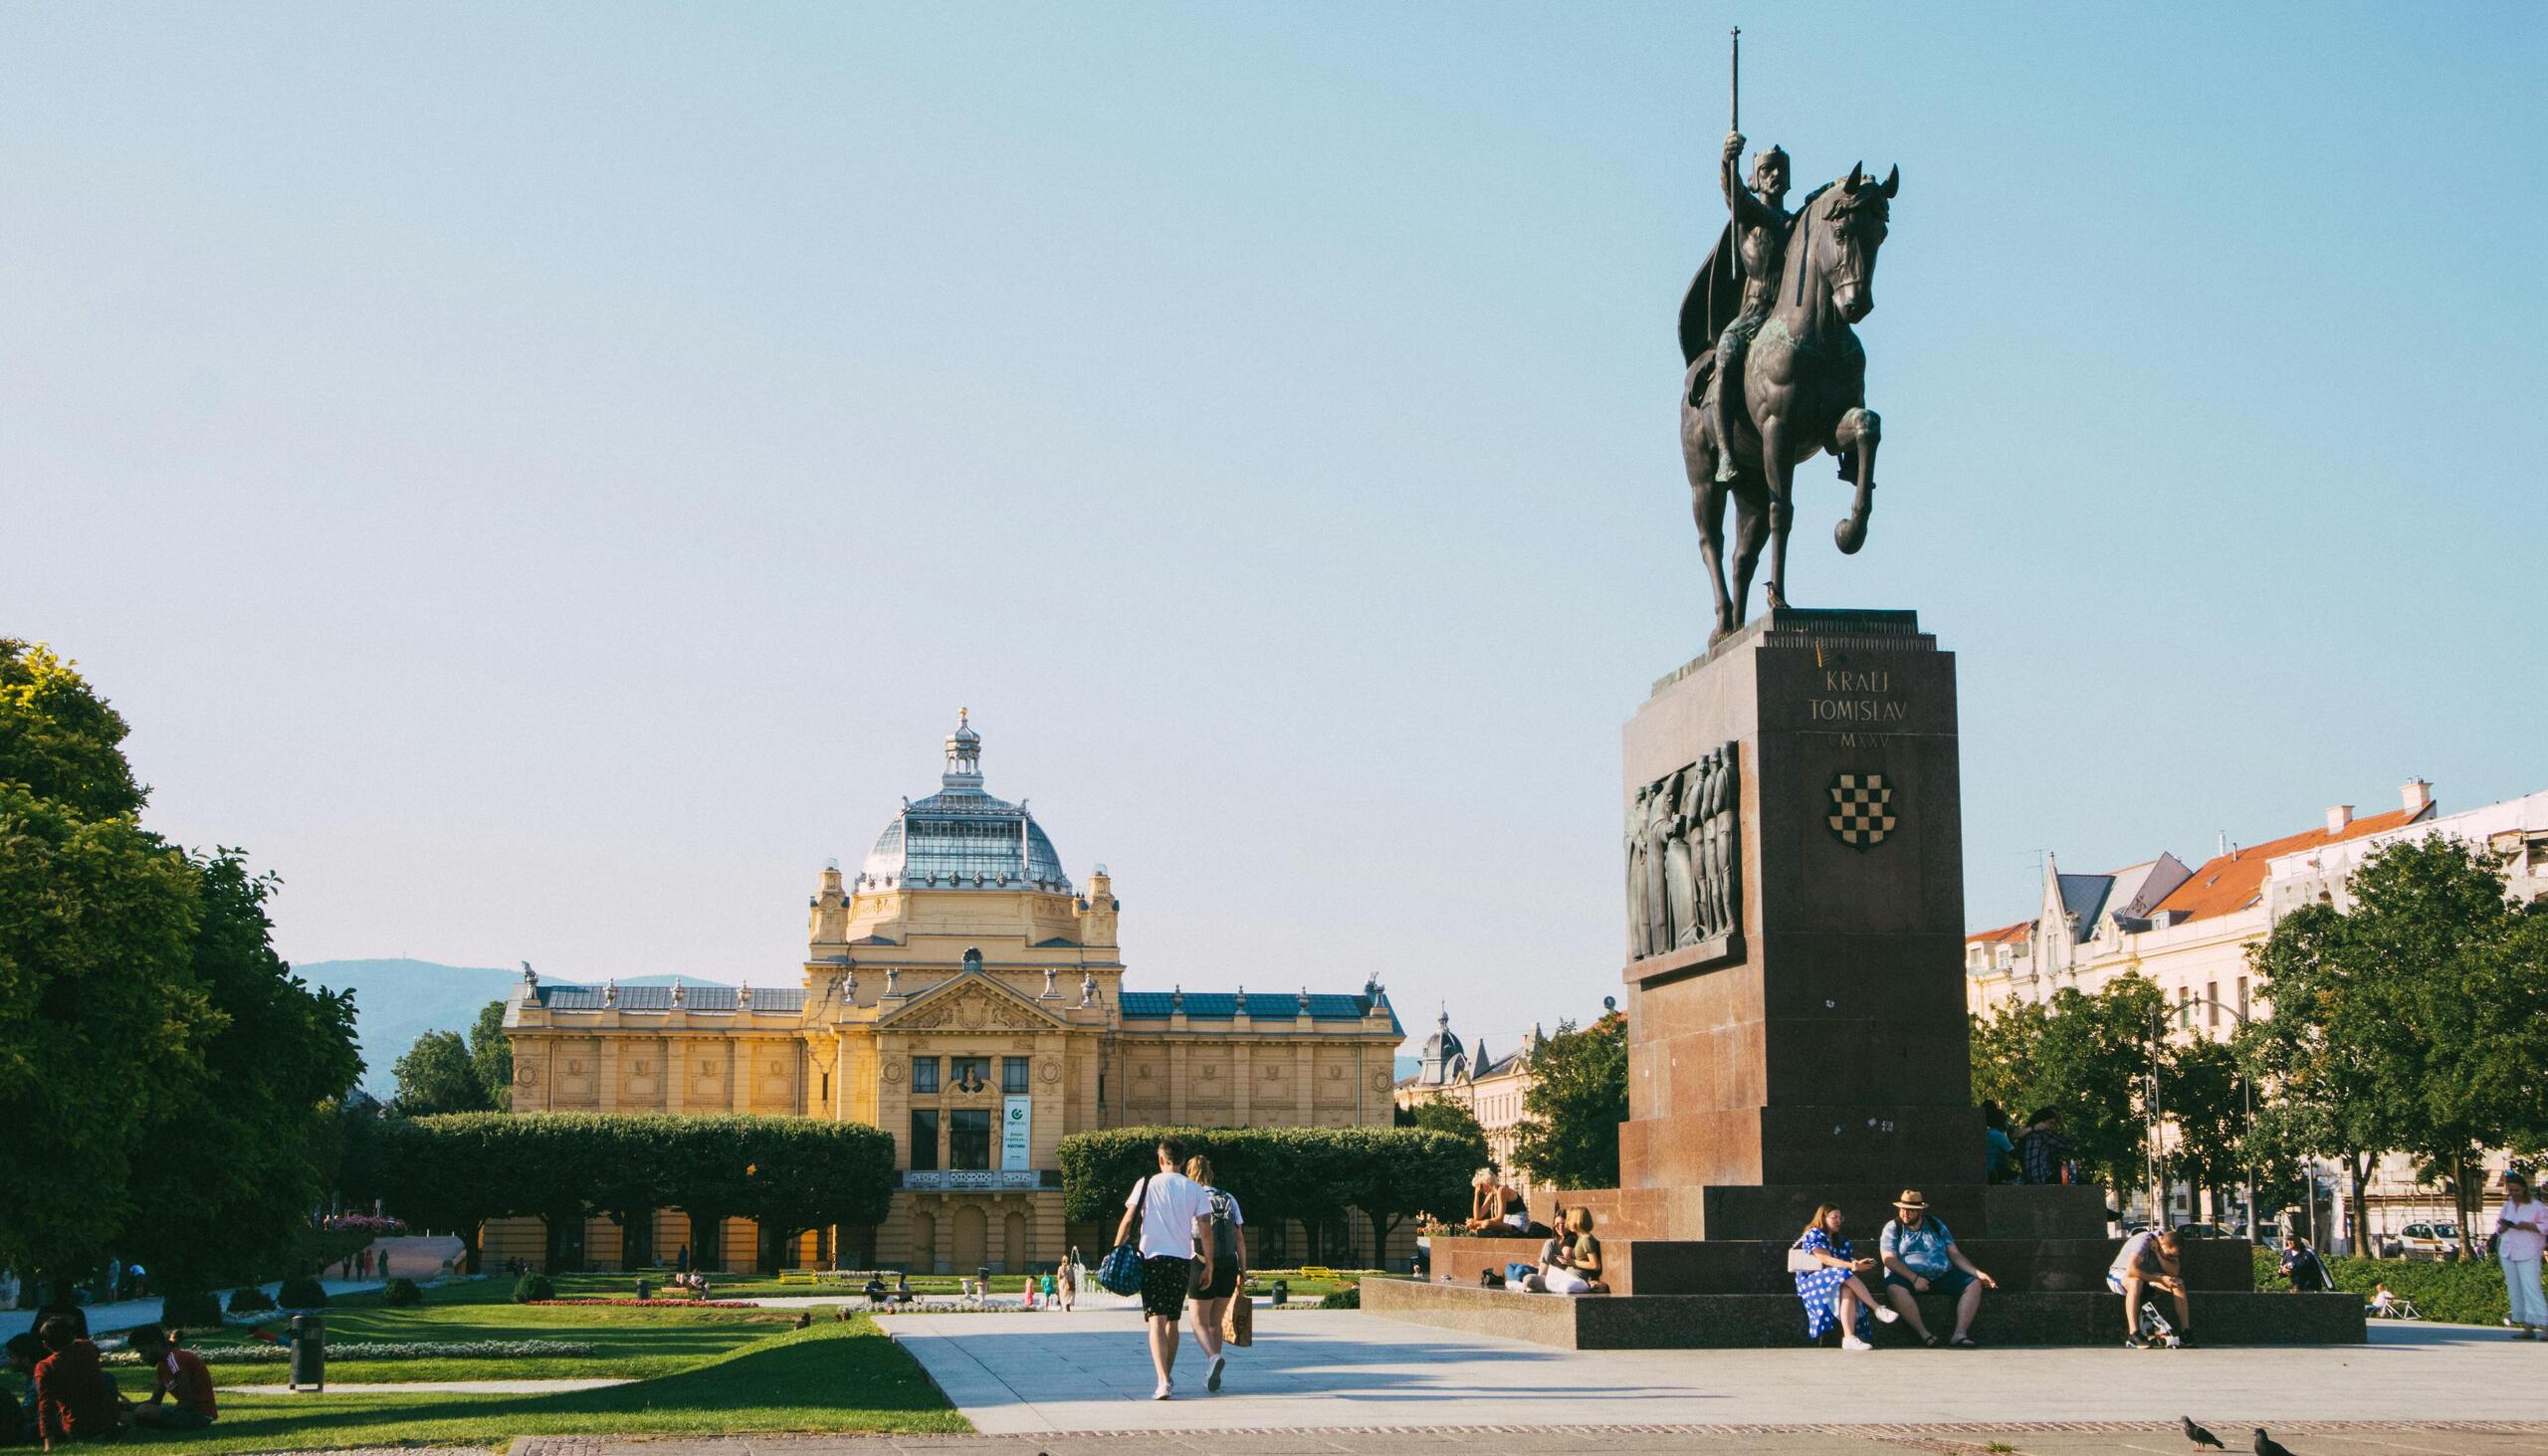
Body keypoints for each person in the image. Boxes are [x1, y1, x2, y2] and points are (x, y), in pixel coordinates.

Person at [1700, 130, 1794, 475]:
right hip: (1755, 310)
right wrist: (1727, 161)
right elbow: (1732, 192)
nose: (1775, 175)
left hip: (1787, 311)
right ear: (1755, 180)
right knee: (1727, 351)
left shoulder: (1794, 223)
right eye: (1767, 170)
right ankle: (1725, 452)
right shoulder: (1750, 213)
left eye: (1780, 169)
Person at [1112, 1134, 1213, 1400]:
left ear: (1160, 1159)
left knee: (1156, 1320)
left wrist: (1114, 1251)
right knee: (1173, 1322)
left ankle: (1162, 1380)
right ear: (1181, 1160)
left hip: (1152, 1259)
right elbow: (1206, 1230)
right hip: (1181, 1261)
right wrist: (1209, 1264)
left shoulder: (1146, 1183)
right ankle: (1167, 1376)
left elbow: (1128, 1220)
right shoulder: (1195, 1189)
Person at [1879, 1190, 1997, 1348]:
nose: (1905, 1213)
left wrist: (1978, 1273)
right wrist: (1914, 1278)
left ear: (1920, 1211)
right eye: (1902, 1209)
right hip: (1907, 1277)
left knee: (1973, 1283)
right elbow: (1888, 1259)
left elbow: (1954, 1254)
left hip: (1941, 1275)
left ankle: (1960, 1334)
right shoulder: (1893, 1227)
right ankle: (1924, 1334)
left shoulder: (1935, 1224)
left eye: (1910, 1210)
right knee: (1894, 1288)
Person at [1183, 1153, 1249, 1393]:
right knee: (1215, 1322)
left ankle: (1213, 1358)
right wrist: (1243, 1270)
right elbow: (1239, 1238)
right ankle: (1214, 1365)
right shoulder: (1229, 1197)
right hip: (1228, 1266)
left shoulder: (1192, 1197)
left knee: (1198, 1322)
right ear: (1210, 1172)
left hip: (1200, 1263)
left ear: (1190, 1173)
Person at [1792, 1205, 1898, 1350]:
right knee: (1843, 1273)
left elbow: (1844, 1263)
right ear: (1823, 1218)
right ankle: (1877, 1308)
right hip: (1811, 1280)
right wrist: (1851, 1266)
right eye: (1833, 1217)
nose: (1838, 1221)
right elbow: (1825, 1259)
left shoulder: (1840, 1240)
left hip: (1834, 1278)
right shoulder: (1814, 1234)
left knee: (1848, 1289)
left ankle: (1849, 1338)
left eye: (1840, 1218)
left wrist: (1856, 1264)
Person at [30, 1316, 118, 1447]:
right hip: (106, 1419)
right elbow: (92, 1350)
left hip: (77, 1426)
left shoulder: (45, 1367)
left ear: (45, 1344)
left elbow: (45, 1406)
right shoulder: (87, 1347)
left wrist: (48, 1441)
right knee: (107, 1377)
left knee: (30, 1428)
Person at [2109, 1227, 2194, 1348]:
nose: (2170, 1258)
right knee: (2136, 1282)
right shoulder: (2143, 1241)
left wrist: (2158, 1254)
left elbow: (2174, 1271)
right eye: (2169, 1255)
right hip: (2120, 1273)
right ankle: (2134, 1334)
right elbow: (2131, 1271)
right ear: (2162, 1242)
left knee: (2178, 1284)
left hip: (2148, 1276)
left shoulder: (2169, 1241)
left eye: (2173, 1256)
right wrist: (2160, 1279)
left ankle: (2186, 1332)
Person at [127, 1325, 219, 1432]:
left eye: (143, 1351)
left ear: (156, 1345)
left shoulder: (175, 1359)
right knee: (123, 1413)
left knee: (143, 1411)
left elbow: (187, 1403)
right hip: (187, 1414)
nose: (142, 1357)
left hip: (199, 1417)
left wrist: (153, 1413)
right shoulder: (162, 1366)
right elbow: (155, 1401)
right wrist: (129, 1406)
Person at [2494, 1170, 2547, 1339]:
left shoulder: (2536, 1206)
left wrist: (2528, 1226)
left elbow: (2545, 1226)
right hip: (2509, 1250)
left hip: (2529, 1251)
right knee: (2515, 1289)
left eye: (2516, 1190)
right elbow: (2499, 1227)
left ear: (2524, 1189)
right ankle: (2527, 1327)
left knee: (2532, 1288)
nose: (2514, 1194)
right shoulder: (2507, 1205)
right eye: (2511, 1191)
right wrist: (2502, 1227)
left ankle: (2545, 1326)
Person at [1540, 1208, 1609, 1295]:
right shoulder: (1582, 1238)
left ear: (1577, 1221)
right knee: (1530, 1279)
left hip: (1573, 1280)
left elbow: (1595, 1265)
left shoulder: (1586, 1239)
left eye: (1570, 1219)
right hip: (1567, 1276)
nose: (1567, 1223)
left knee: (1530, 1280)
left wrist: (1572, 1262)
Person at [2017, 1109, 2073, 1185]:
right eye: (2051, 1123)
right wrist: (2062, 1124)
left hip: (2031, 1179)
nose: (2053, 1127)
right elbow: (2067, 1144)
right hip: (2043, 1177)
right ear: (2042, 1122)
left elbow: (2014, 1136)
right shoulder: (2044, 1133)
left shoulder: (2029, 1133)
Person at [6, 1334, 43, 1446]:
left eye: (12, 1357)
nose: (8, 1361)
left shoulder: (37, 1380)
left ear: (26, 1360)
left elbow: (24, 1414)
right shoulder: (31, 1377)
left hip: (39, 1427)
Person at [1982, 1103, 2017, 1185]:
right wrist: (2011, 1136)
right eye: (2006, 1120)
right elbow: (2015, 1154)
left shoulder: (1988, 1133)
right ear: (2002, 1121)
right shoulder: (1998, 1135)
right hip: (1997, 1171)